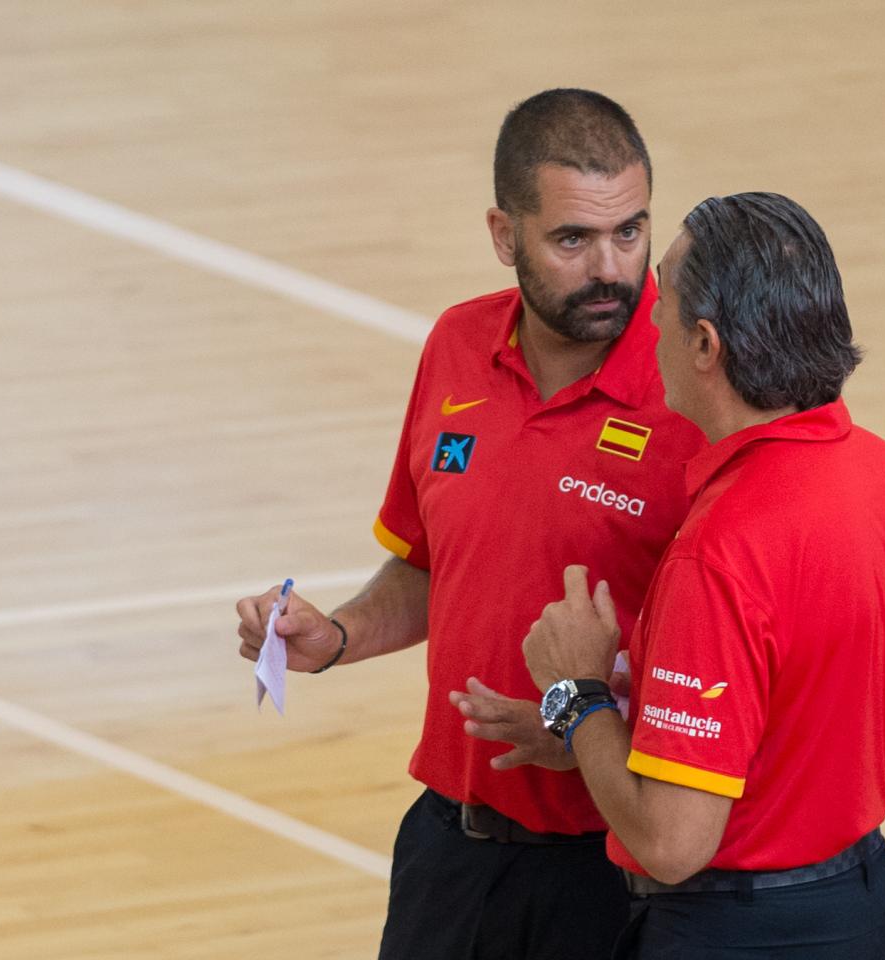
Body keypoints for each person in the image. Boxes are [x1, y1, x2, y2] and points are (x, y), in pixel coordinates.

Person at [233, 88, 704, 960]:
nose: (611, 268)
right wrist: (333, 635)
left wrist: (590, 722)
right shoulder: (455, 346)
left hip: (614, 869)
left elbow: (743, 646)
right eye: (573, 239)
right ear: (503, 235)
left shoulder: (693, 387)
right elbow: (426, 564)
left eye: (630, 232)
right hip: (452, 850)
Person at [517, 192, 885, 959]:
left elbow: (672, 841)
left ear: (704, 345)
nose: (645, 318)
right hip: (861, 915)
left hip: (730, 934)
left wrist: (578, 695)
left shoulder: (719, 552)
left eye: (662, 296)